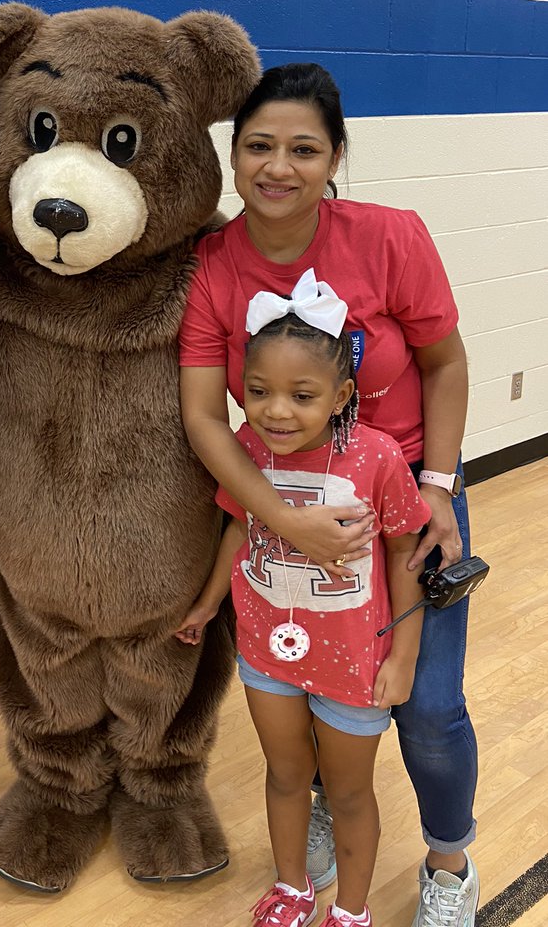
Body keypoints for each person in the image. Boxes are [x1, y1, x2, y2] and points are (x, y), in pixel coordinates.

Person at [179, 64, 478, 927]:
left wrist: (438, 489)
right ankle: (319, 809)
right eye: (259, 146)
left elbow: (446, 363)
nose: (280, 166)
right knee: (298, 675)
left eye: (304, 149)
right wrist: (281, 521)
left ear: (336, 156)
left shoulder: (390, 237)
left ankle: (449, 864)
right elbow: (206, 417)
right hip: (282, 506)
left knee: (421, 703)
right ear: (232, 157)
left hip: (406, 498)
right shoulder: (214, 264)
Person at [176, 274, 430, 926]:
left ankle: (350, 910)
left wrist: (402, 656)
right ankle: (292, 887)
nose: (275, 411)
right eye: (258, 392)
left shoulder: (376, 458)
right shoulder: (249, 450)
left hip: (353, 665)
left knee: (347, 792)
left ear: (341, 394)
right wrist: (208, 605)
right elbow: (238, 526)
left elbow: (405, 555)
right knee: (286, 776)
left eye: (301, 394)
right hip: (267, 654)